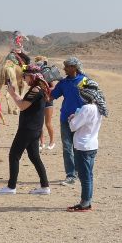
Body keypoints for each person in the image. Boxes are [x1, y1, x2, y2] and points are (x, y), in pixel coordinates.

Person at [0, 65, 51, 195]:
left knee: (14, 155)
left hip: (28, 129)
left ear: (32, 77)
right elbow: (25, 103)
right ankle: (45, 187)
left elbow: (22, 106)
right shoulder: (38, 89)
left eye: (26, 76)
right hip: (34, 129)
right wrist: (14, 92)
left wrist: (12, 93)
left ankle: (11, 187)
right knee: (34, 157)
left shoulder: (36, 90)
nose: (24, 79)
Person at [67, 78, 107, 211]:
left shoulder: (87, 108)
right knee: (88, 175)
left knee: (85, 177)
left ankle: (85, 203)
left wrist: (72, 118)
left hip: (83, 146)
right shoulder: (98, 107)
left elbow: (73, 126)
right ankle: (86, 201)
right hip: (92, 145)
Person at [49, 57, 87, 187]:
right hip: (65, 119)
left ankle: (79, 172)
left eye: (67, 66)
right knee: (67, 147)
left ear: (74, 68)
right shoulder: (63, 83)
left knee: (78, 147)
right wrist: (44, 84)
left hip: (81, 120)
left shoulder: (84, 81)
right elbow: (51, 96)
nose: (64, 69)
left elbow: (93, 98)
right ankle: (70, 175)